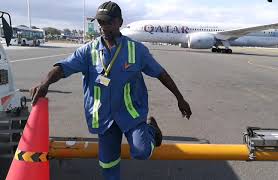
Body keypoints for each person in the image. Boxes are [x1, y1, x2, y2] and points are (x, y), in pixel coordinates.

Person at [30, 1, 192, 180]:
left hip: (131, 114)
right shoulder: (88, 51)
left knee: (141, 151)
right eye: (100, 22)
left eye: (108, 22)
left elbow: (161, 73)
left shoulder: (137, 50)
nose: (103, 27)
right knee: (109, 167)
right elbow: (63, 68)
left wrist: (180, 98)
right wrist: (45, 83)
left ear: (119, 22)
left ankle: (152, 131)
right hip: (104, 118)